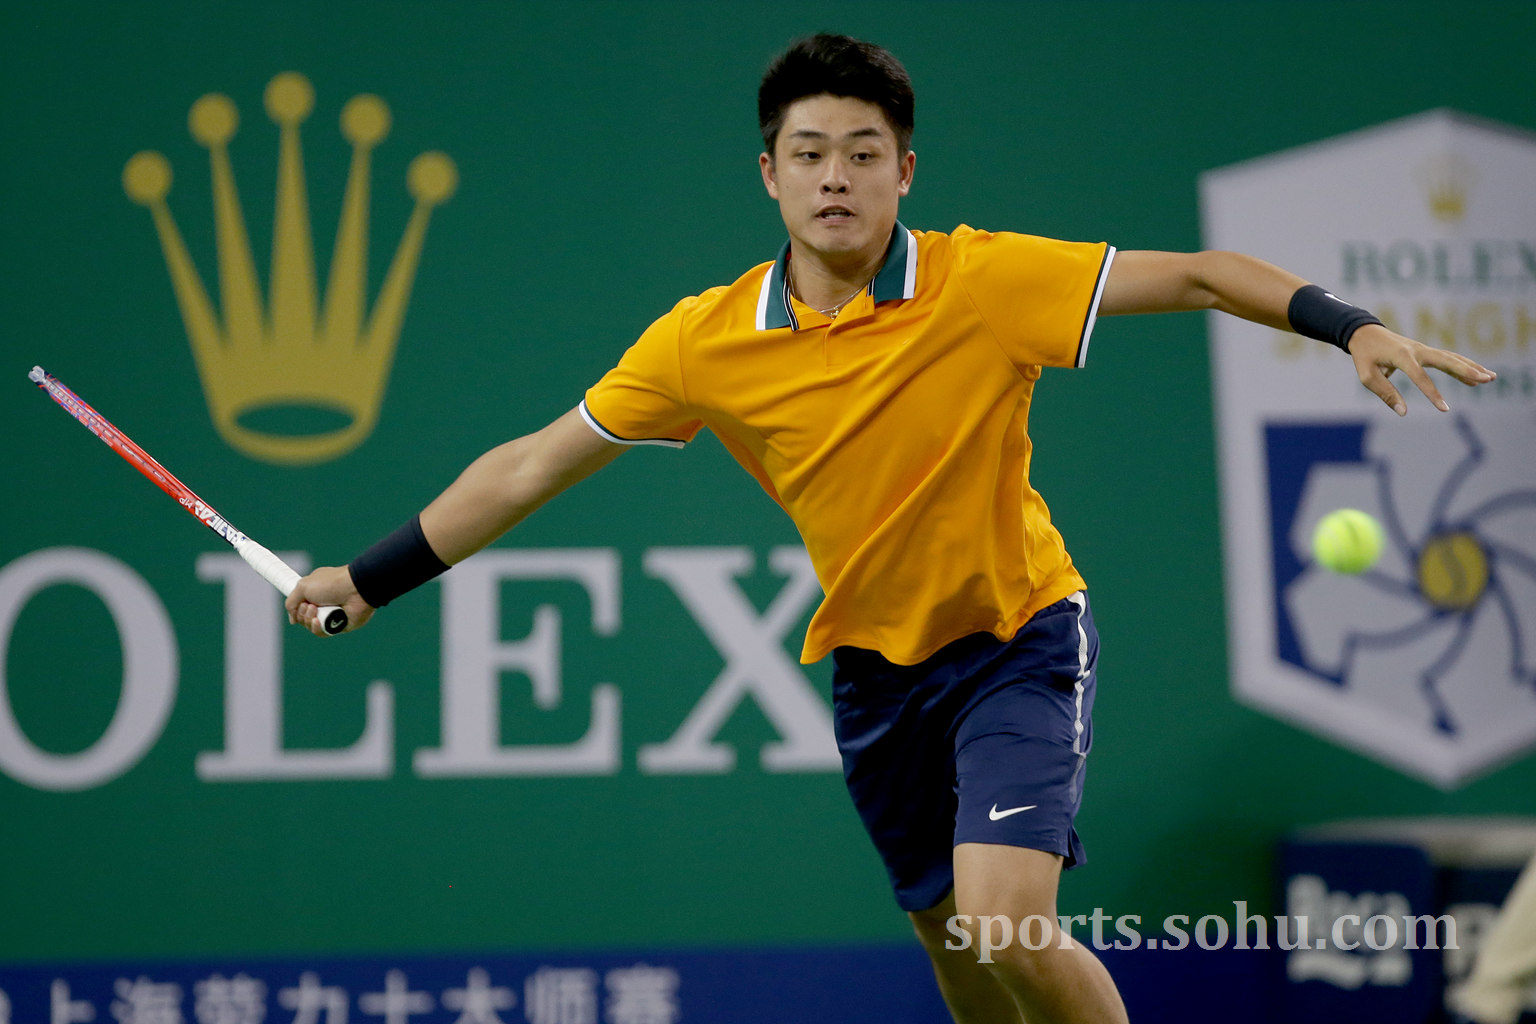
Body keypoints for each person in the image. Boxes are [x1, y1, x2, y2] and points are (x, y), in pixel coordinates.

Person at [287, 34, 1496, 1024]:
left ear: (904, 172)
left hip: (1019, 634)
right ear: (768, 174)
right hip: (876, 668)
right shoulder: (702, 341)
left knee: (1008, 920)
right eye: (808, 152)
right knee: (952, 939)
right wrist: (368, 577)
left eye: (863, 153)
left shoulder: (983, 282)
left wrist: (1353, 328)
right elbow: (531, 465)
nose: (835, 177)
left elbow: (1196, 274)